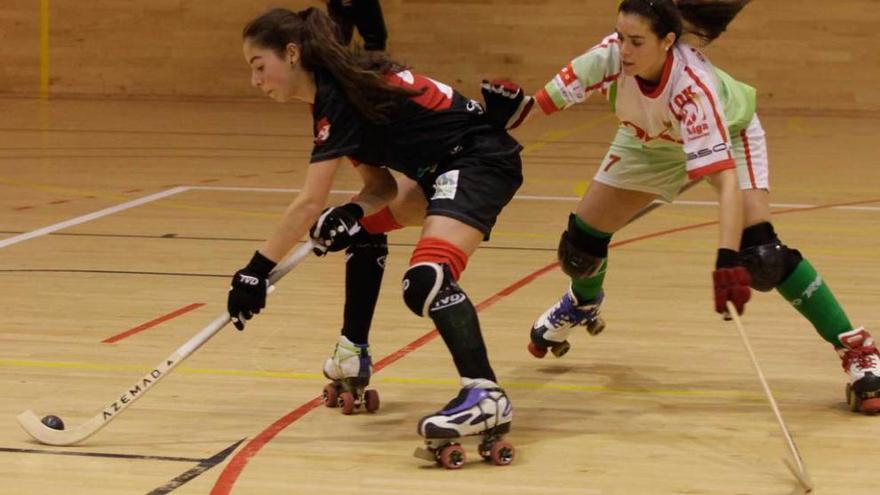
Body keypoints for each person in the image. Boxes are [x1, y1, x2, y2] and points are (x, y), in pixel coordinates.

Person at [481, 0, 879, 413]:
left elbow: (725, 180)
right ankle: (583, 303)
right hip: (648, 144)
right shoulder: (609, 59)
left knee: (763, 258)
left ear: (667, 42)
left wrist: (726, 260)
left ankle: (856, 348)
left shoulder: (693, 88)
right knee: (580, 249)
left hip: (731, 132)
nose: (625, 50)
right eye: (621, 37)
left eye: (637, 41)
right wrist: (504, 112)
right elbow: (535, 106)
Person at [227, 7, 518, 464]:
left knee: (427, 280)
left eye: (258, 67)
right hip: (437, 169)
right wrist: (348, 213)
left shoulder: (339, 95)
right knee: (359, 233)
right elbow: (379, 188)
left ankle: (486, 396)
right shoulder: (334, 95)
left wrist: (255, 272)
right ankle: (351, 353)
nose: (255, 80)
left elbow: (306, 202)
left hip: (477, 161)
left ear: (291, 53)